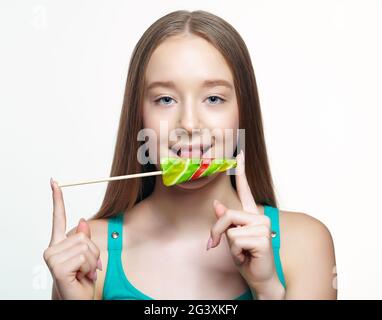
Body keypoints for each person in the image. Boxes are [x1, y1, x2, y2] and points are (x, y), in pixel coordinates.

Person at [43, 10, 337, 300]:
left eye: (213, 98)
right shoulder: (90, 253)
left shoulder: (305, 244)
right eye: (165, 99)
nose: (189, 124)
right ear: (140, 115)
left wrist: (268, 290)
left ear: (241, 112)